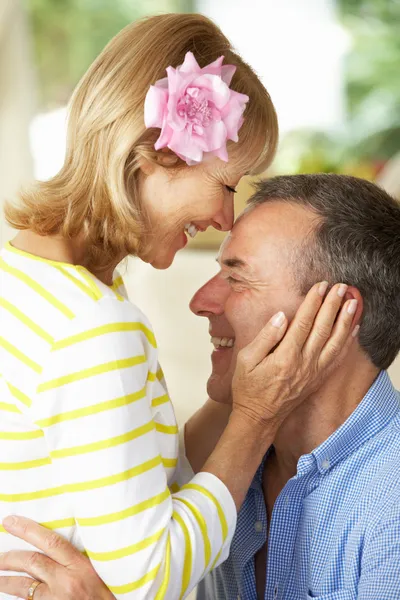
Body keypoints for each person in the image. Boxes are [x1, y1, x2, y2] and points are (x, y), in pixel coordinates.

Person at [0, 13, 356, 600]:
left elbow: (138, 475)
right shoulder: (92, 328)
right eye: (226, 184)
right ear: (150, 154)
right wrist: (256, 418)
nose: (226, 218)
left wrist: (240, 393)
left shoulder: (32, 281)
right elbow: (149, 576)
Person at [1, 173, 397, 600]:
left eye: (237, 278)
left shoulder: (387, 504)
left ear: (337, 314)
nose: (200, 302)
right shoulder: (232, 461)